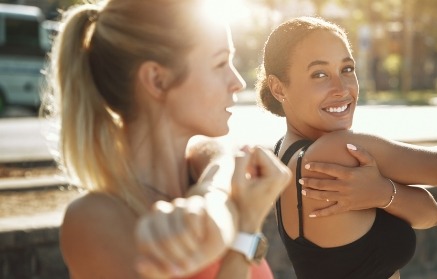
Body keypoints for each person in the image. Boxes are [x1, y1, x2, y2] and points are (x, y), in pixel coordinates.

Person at [40, 0, 291, 278]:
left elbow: (219, 158)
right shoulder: (93, 219)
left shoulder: (205, 171)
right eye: (220, 63)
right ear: (157, 80)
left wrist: (212, 197)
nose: (237, 82)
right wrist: (245, 229)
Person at [256, 16, 437, 279]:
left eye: (347, 69)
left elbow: (430, 212)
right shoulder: (335, 151)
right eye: (319, 74)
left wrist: (383, 193)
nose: (342, 88)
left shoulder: (285, 153)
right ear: (278, 88)